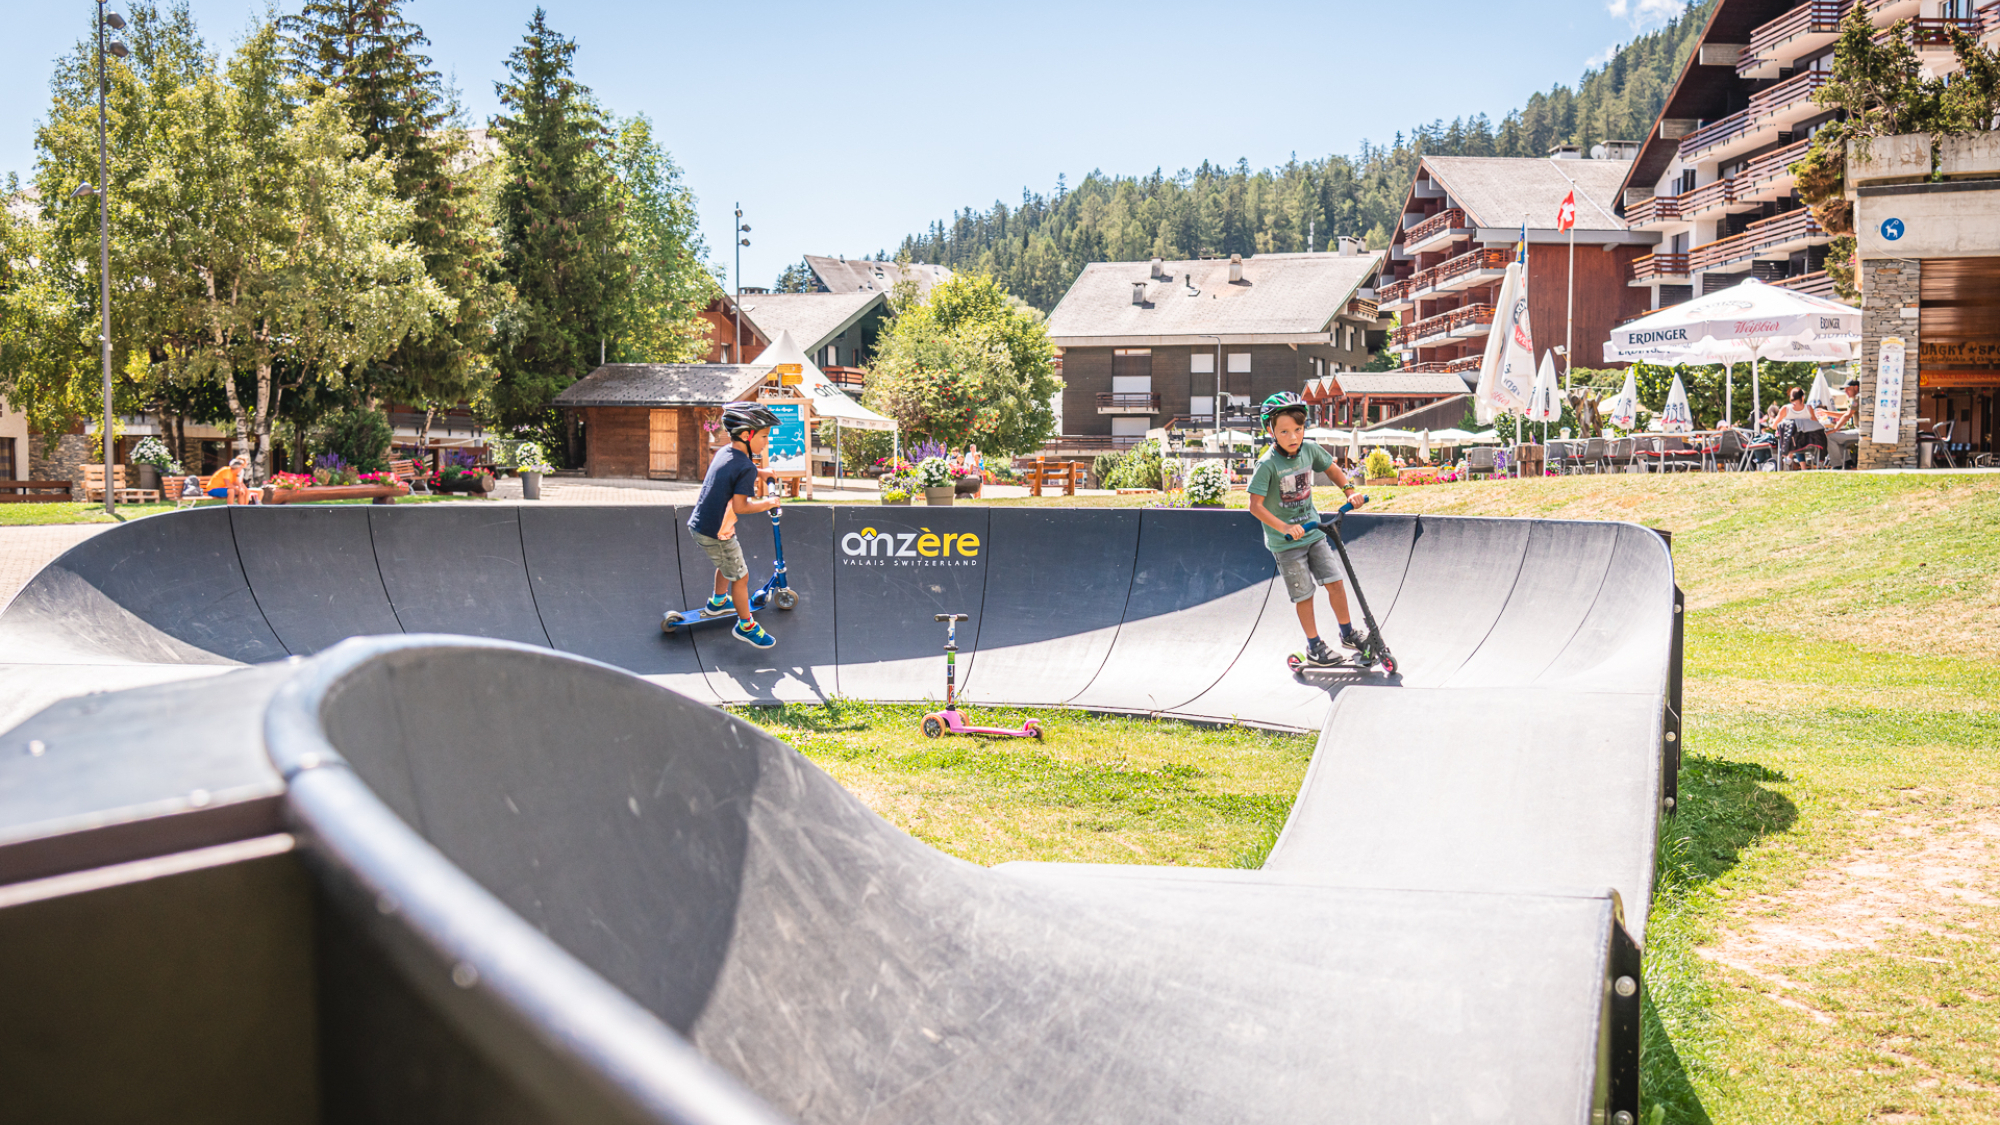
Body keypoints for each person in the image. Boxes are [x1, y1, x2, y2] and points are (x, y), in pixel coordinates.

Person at [1247, 392, 1362, 667]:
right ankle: (1314, 646)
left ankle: (1347, 633)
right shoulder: (1267, 465)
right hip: (1286, 544)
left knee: (1335, 581)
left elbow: (1332, 468)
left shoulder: (1309, 450)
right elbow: (1255, 506)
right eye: (1284, 431)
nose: (1293, 436)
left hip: (1313, 533)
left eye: (1298, 429)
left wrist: (1349, 490)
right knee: (1305, 594)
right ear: (1270, 431)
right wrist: (1285, 527)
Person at [688, 403, 783, 648]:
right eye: (763, 436)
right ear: (746, 435)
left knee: (727, 564)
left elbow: (731, 472)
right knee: (741, 577)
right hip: (717, 532)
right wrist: (768, 502)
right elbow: (742, 506)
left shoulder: (726, 452)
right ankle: (745, 625)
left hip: (704, 525)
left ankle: (718, 602)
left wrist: (760, 472)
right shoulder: (745, 467)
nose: (766, 442)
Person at [1774, 386, 1826, 469]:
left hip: (1791, 444)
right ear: (1802, 397)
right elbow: (1816, 424)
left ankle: (1790, 458)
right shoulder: (1809, 408)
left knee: (1794, 436)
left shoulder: (1786, 409)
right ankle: (1803, 467)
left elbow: (1774, 425)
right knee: (1798, 436)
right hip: (1809, 443)